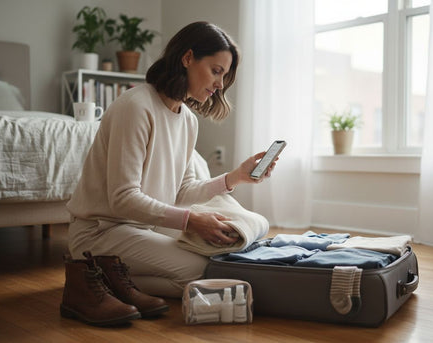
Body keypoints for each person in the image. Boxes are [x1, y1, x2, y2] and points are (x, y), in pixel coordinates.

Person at [62, 21, 276, 323]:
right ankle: (88, 273)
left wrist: (235, 177)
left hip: (141, 227)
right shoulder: (136, 106)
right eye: (216, 71)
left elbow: (182, 191)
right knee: (199, 270)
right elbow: (123, 198)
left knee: (218, 253)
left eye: (224, 76)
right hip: (102, 231)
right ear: (187, 58)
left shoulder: (188, 120)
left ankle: (109, 278)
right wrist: (191, 221)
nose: (219, 84)